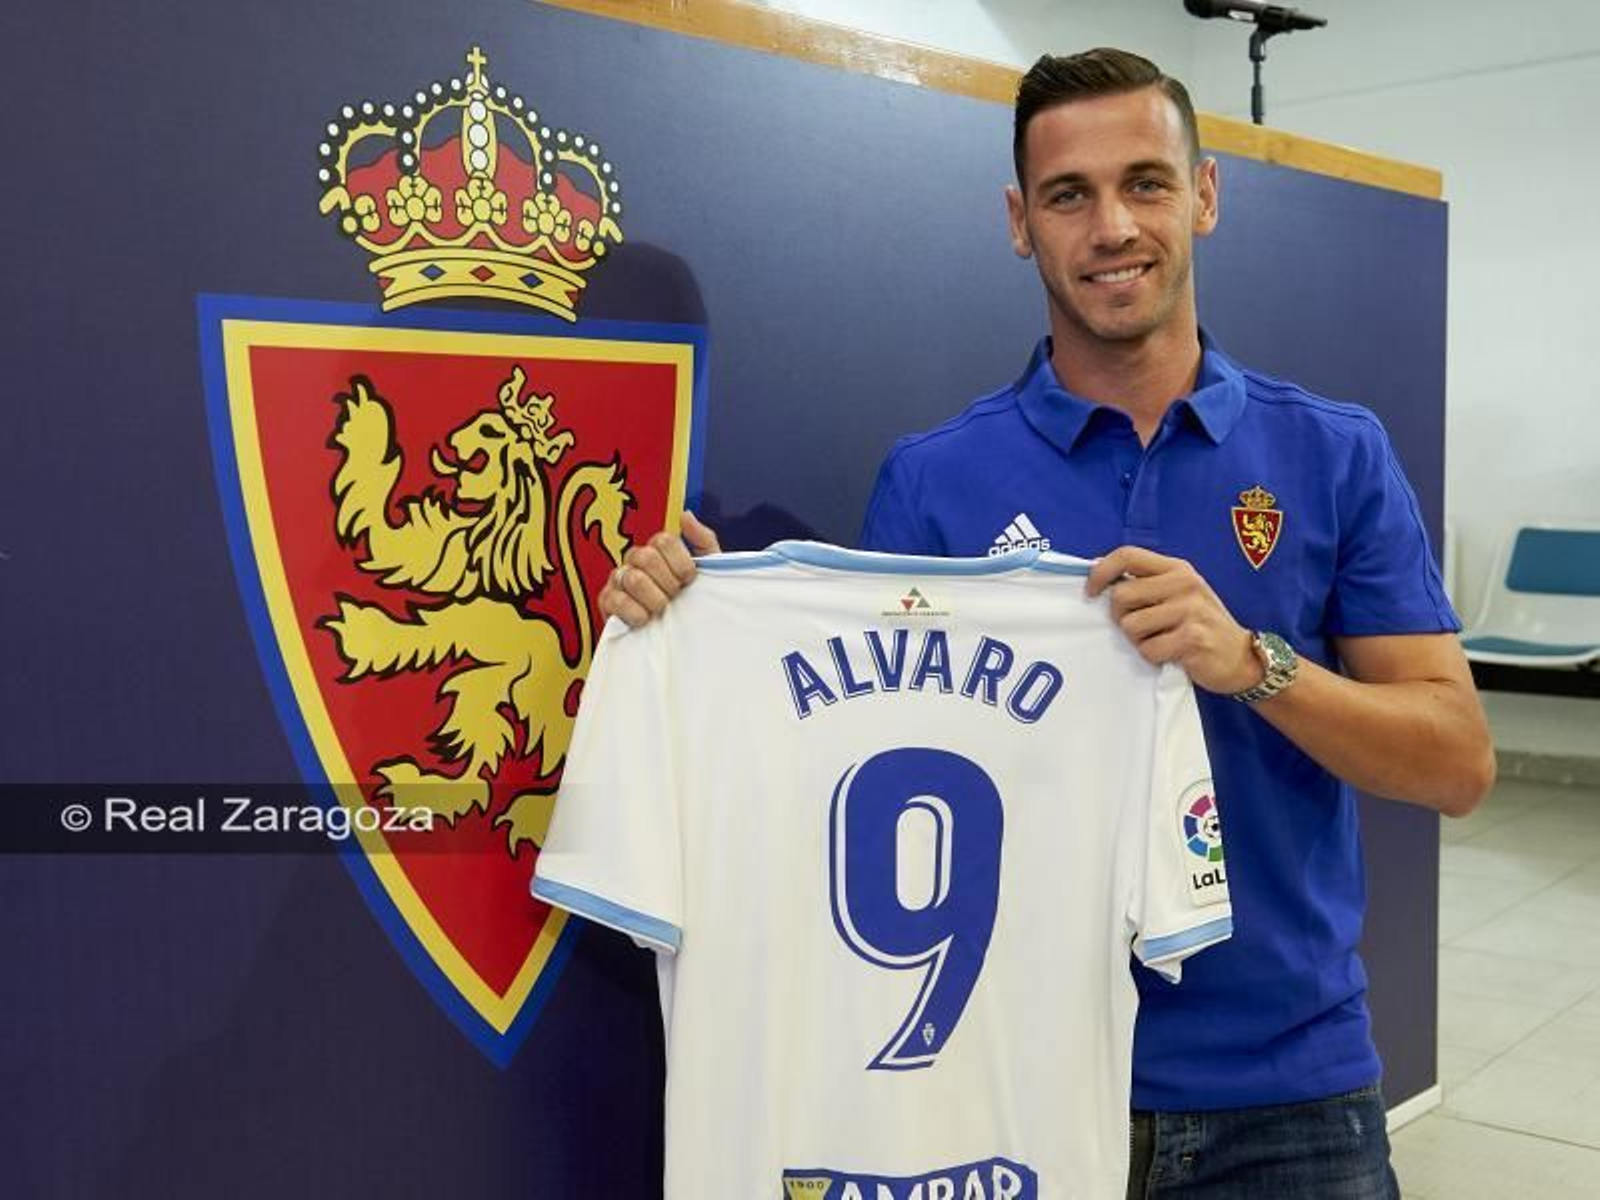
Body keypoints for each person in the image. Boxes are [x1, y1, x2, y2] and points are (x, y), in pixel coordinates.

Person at [598, 47, 1495, 1199]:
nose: (1111, 226)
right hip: (1005, 1088)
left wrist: (1252, 664)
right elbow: (853, 773)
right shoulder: (932, 479)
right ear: (1021, 223)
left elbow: (1457, 762)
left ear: (1205, 196)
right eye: (1069, 196)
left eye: (1146, 184)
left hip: (1286, 1096)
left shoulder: (1332, 452)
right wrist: (694, 620)